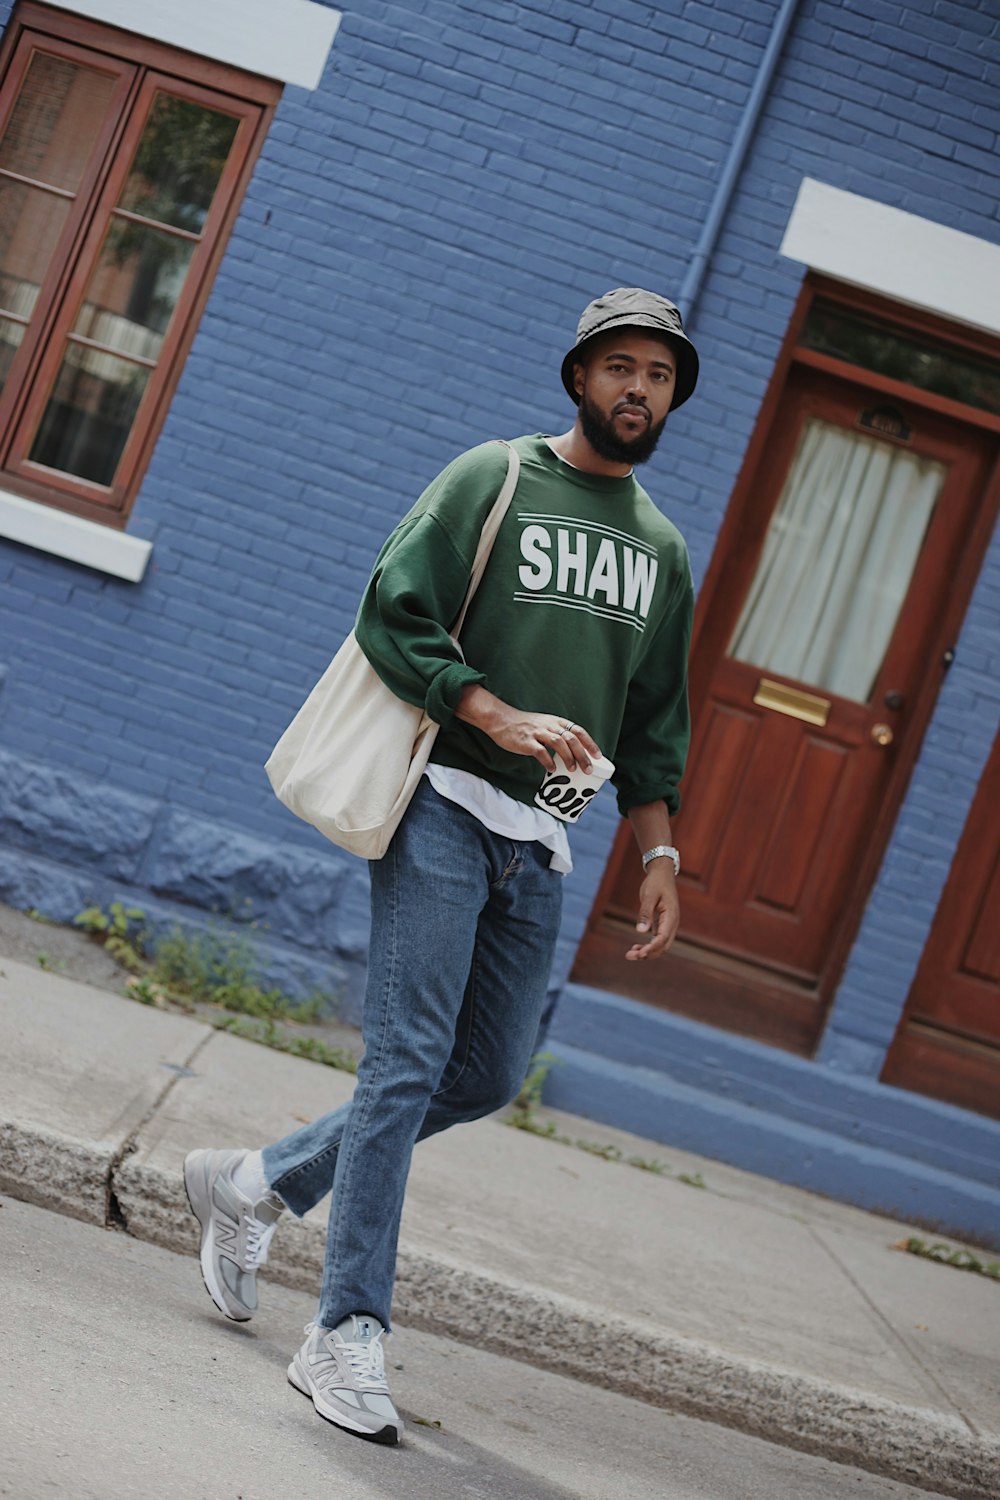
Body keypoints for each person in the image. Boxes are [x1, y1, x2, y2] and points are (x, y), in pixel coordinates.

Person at [184, 287, 699, 1445]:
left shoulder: (661, 551)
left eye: (657, 375)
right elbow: (393, 608)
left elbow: (658, 719)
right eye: (618, 367)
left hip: (544, 837)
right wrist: (492, 711)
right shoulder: (494, 477)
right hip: (443, 802)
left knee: (483, 1074)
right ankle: (346, 1332)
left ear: (672, 396)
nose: (636, 389)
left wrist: (658, 848)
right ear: (579, 377)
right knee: (408, 1057)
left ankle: (254, 1184)